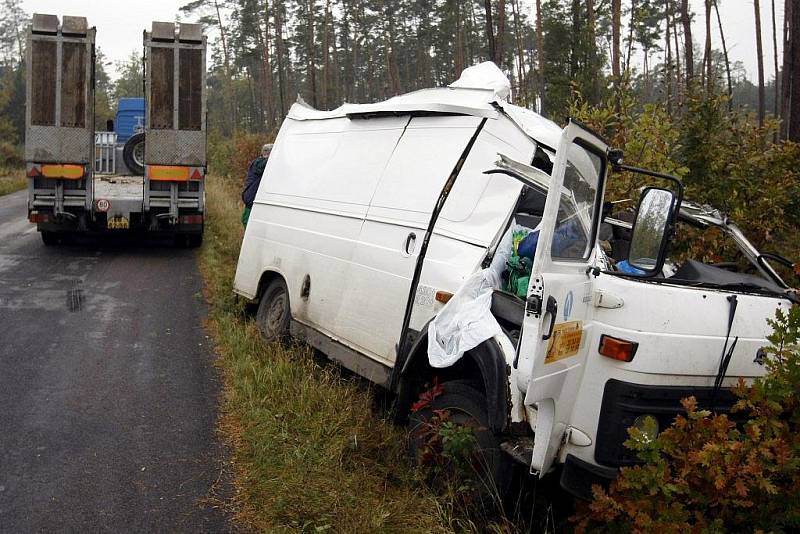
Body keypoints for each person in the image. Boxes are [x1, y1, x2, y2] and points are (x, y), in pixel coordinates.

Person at [241, 143, 273, 227]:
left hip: (251, 198)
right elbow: (263, 165)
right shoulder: (258, 163)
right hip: (251, 199)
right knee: (248, 222)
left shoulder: (258, 162)